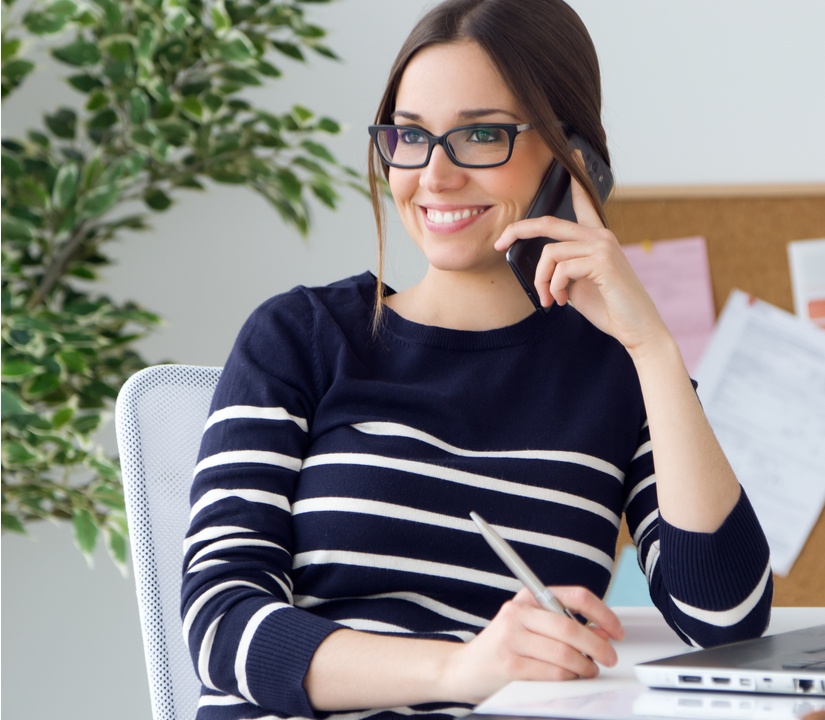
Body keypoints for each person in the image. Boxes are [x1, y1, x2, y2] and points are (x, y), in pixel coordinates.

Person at [179, 1, 774, 718]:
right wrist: (462, 668)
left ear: (572, 158)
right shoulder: (299, 337)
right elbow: (219, 620)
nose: (434, 175)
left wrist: (651, 347)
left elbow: (724, 620)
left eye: (481, 134)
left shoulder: (613, 373)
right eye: (410, 136)